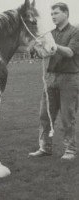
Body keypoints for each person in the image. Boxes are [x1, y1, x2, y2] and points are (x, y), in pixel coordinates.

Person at [29, 2, 79, 160]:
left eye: (56, 13)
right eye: (51, 14)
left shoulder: (75, 32)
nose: (53, 16)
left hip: (69, 78)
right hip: (50, 78)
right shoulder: (48, 33)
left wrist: (52, 45)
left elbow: (70, 52)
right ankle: (45, 148)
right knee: (44, 115)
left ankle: (70, 150)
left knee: (67, 116)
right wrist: (35, 49)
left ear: (66, 13)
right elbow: (44, 53)